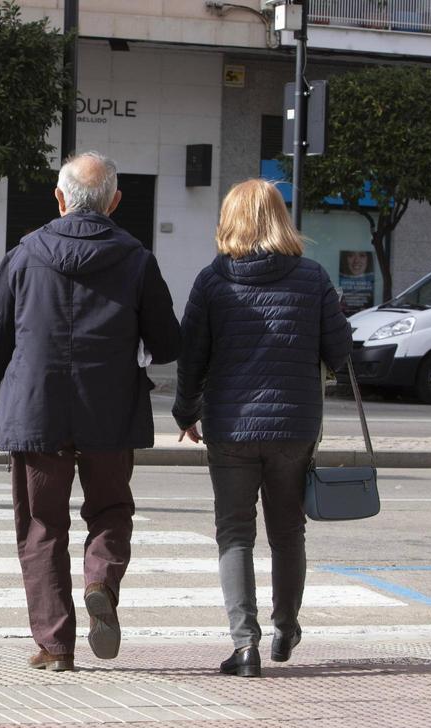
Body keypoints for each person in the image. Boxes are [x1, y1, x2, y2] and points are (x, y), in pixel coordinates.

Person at [0, 151, 180, 672]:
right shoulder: (136, 258)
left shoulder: (23, 254)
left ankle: (55, 646)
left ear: (60, 197)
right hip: (109, 411)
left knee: (41, 526)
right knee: (110, 511)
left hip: (35, 411)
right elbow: (167, 341)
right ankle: (100, 582)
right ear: (114, 201)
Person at [173, 179, 352, 678]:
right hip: (294, 426)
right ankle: (284, 627)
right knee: (288, 531)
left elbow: (192, 357)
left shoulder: (212, 281)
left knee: (234, 534)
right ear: (281, 219)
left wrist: (186, 412)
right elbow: (340, 353)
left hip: (229, 426)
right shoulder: (313, 278)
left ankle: (244, 645)